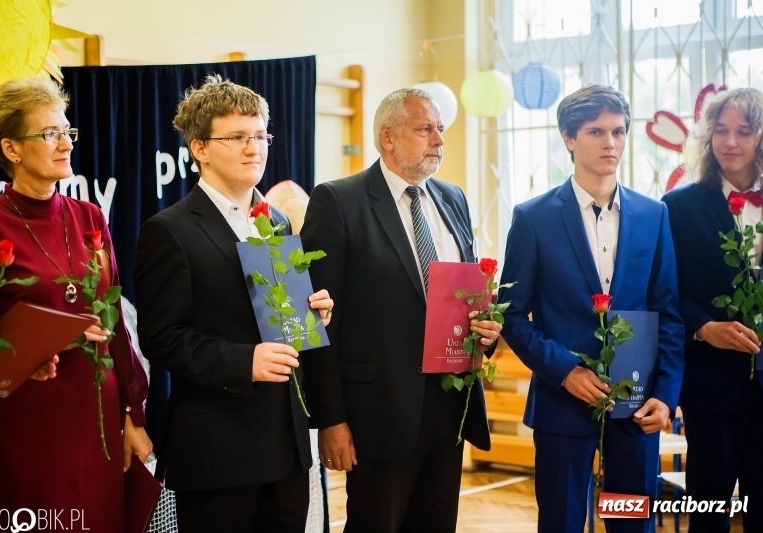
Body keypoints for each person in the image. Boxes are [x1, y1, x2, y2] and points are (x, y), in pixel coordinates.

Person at [133, 74, 333, 533]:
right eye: (238, 137)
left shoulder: (277, 220)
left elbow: (279, 321)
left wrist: (311, 313)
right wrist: (246, 360)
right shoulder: (171, 230)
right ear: (199, 148)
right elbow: (163, 340)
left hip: (285, 445)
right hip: (219, 449)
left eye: (261, 135)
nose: (254, 148)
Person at [299, 87, 499, 533]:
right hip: (378, 411)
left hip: (449, 403)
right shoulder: (339, 201)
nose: (439, 140)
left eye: (441, 130)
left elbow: (466, 289)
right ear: (387, 138)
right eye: (425, 129)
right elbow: (318, 319)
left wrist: (487, 325)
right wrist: (331, 418)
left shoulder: (453, 199)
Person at [0, 76, 151, 532]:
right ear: (10, 148)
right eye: (49, 134)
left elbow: (115, 325)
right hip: (26, 422)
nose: (65, 143)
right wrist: (38, 345)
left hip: (97, 418)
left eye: (67, 131)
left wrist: (133, 414)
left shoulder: (90, 217)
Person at [498, 84, 684, 533]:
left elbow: (669, 313)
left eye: (619, 132)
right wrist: (565, 371)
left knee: (631, 524)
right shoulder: (533, 217)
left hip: (635, 410)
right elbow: (510, 315)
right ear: (568, 137)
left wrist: (666, 396)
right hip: (562, 408)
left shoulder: (653, 214)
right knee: (561, 523)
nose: (611, 143)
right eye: (596, 131)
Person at [661, 87, 763, 532]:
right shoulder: (679, 206)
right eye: (720, 130)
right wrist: (703, 327)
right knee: (709, 509)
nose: (731, 142)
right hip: (709, 384)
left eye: (743, 131)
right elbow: (666, 291)